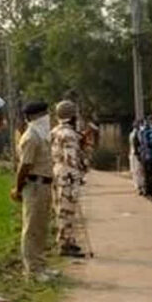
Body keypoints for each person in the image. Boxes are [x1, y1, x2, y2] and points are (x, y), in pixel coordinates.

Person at [15, 101, 55, 276]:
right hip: (34, 185)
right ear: (33, 117)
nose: (47, 117)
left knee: (41, 227)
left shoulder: (42, 135)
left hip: (44, 184)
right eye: (43, 114)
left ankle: (40, 264)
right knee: (31, 228)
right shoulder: (31, 137)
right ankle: (32, 270)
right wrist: (17, 189)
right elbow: (24, 166)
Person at [50, 100, 86, 258]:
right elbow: (70, 158)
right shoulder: (70, 134)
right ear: (72, 116)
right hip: (68, 174)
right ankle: (65, 244)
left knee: (60, 209)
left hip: (57, 171)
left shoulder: (54, 131)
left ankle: (68, 240)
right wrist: (78, 176)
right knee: (67, 210)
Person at [129, 119, 145, 194]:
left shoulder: (139, 133)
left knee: (139, 171)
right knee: (136, 171)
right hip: (135, 154)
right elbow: (135, 145)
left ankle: (140, 186)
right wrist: (137, 153)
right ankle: (138, 186)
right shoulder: (134, 134)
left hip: (138, 154)